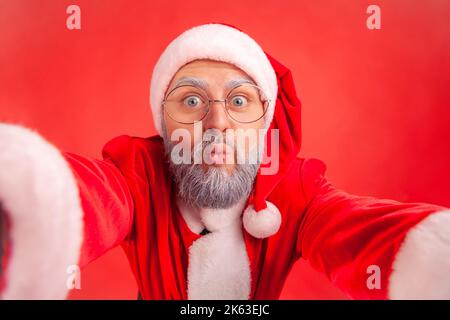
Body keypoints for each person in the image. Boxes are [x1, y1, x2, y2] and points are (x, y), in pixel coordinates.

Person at [0, 23, 449, 300]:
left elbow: (357, 230)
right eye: (191, 100)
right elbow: (91, 196)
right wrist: (22, 203)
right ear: (163, 123)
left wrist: (432, 258)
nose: (216, 122)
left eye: (239, 100)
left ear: (265, 122)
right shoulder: (140, 172)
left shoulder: (297, 190)